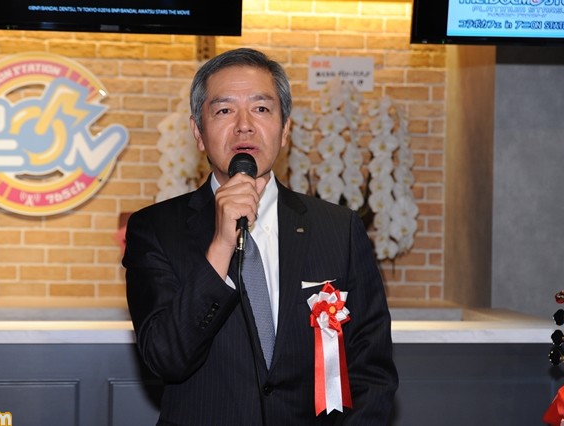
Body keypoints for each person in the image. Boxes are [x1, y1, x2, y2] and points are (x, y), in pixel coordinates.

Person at [123, 47, 398, 425]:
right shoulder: (154, 229)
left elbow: (371, 370)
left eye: (261, 108)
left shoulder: (339, 228)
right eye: (224, 110)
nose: (244, 125)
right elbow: (166, 358)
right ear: (198, 133)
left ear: (285, 130)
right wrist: (221, 245)